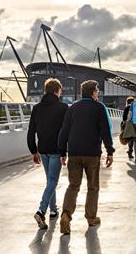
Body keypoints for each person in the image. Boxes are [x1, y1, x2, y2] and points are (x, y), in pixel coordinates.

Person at [58, 80, 114, 234]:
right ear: (93, 92)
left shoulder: (73, 107)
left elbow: (64, 131)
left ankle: (66, 215)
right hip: (92, 154)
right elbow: (105, 131)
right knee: (93, 186)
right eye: (97, 91)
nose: (98, 93)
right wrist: (110, 151)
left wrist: (62, 152)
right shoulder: (99, 108)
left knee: (73, 186)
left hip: (74, 153)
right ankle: (91, 218)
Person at [27, 78, 68, 229]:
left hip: (42, 149)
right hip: (56, 150)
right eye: (60, 91)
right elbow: (65, 132)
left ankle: (53, 210)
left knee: (50, 180)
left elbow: (31, 131)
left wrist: (33, 150)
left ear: (46, 90)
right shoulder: (63, 107)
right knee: (52, 181)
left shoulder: (37, 108)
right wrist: (64, 151)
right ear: (57, 91)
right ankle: (41, 210)